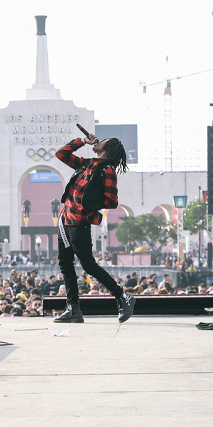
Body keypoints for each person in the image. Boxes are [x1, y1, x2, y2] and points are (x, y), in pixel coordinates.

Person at [53, 133, 134, 324]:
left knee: (88, 264)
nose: (98, 140)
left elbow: (111, 201)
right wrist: (82, 141)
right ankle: (73, 309)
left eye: (102, 140)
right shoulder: (86, 163)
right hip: (65, 220)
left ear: (107, 147)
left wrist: (87, 205)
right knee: (65, 264)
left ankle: (123, 296)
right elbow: (61, 154)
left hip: (79, 221)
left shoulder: (107, 170)